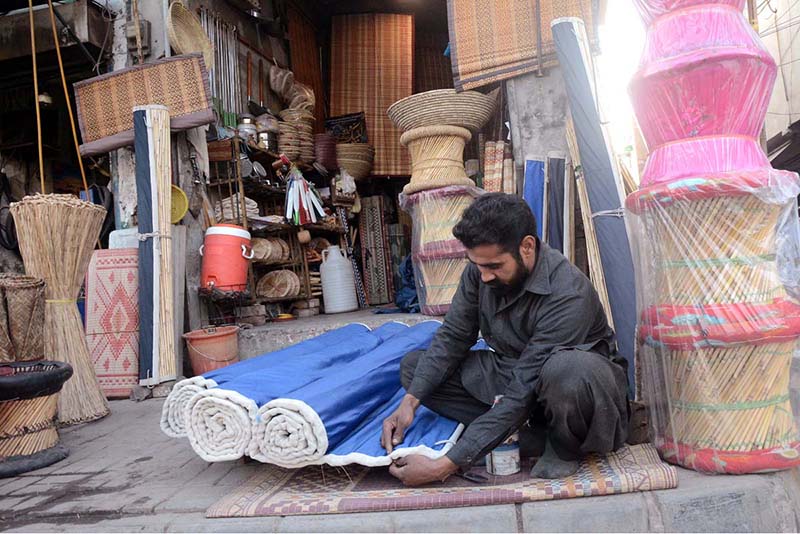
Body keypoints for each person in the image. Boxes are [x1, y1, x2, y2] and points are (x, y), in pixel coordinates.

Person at [381, 193, 629, 486]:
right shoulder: (480, 270)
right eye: (478, 265)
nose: (484, 276)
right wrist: (410, 402)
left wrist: (442, 467)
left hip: (570, 387)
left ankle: (564, 443)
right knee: (415, 367)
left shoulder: (569, 293)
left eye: (495, 266)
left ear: (526, 247)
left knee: (568, 370)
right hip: (515, 371)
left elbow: (524, 386)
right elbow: (453, 336)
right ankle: (529, 435)